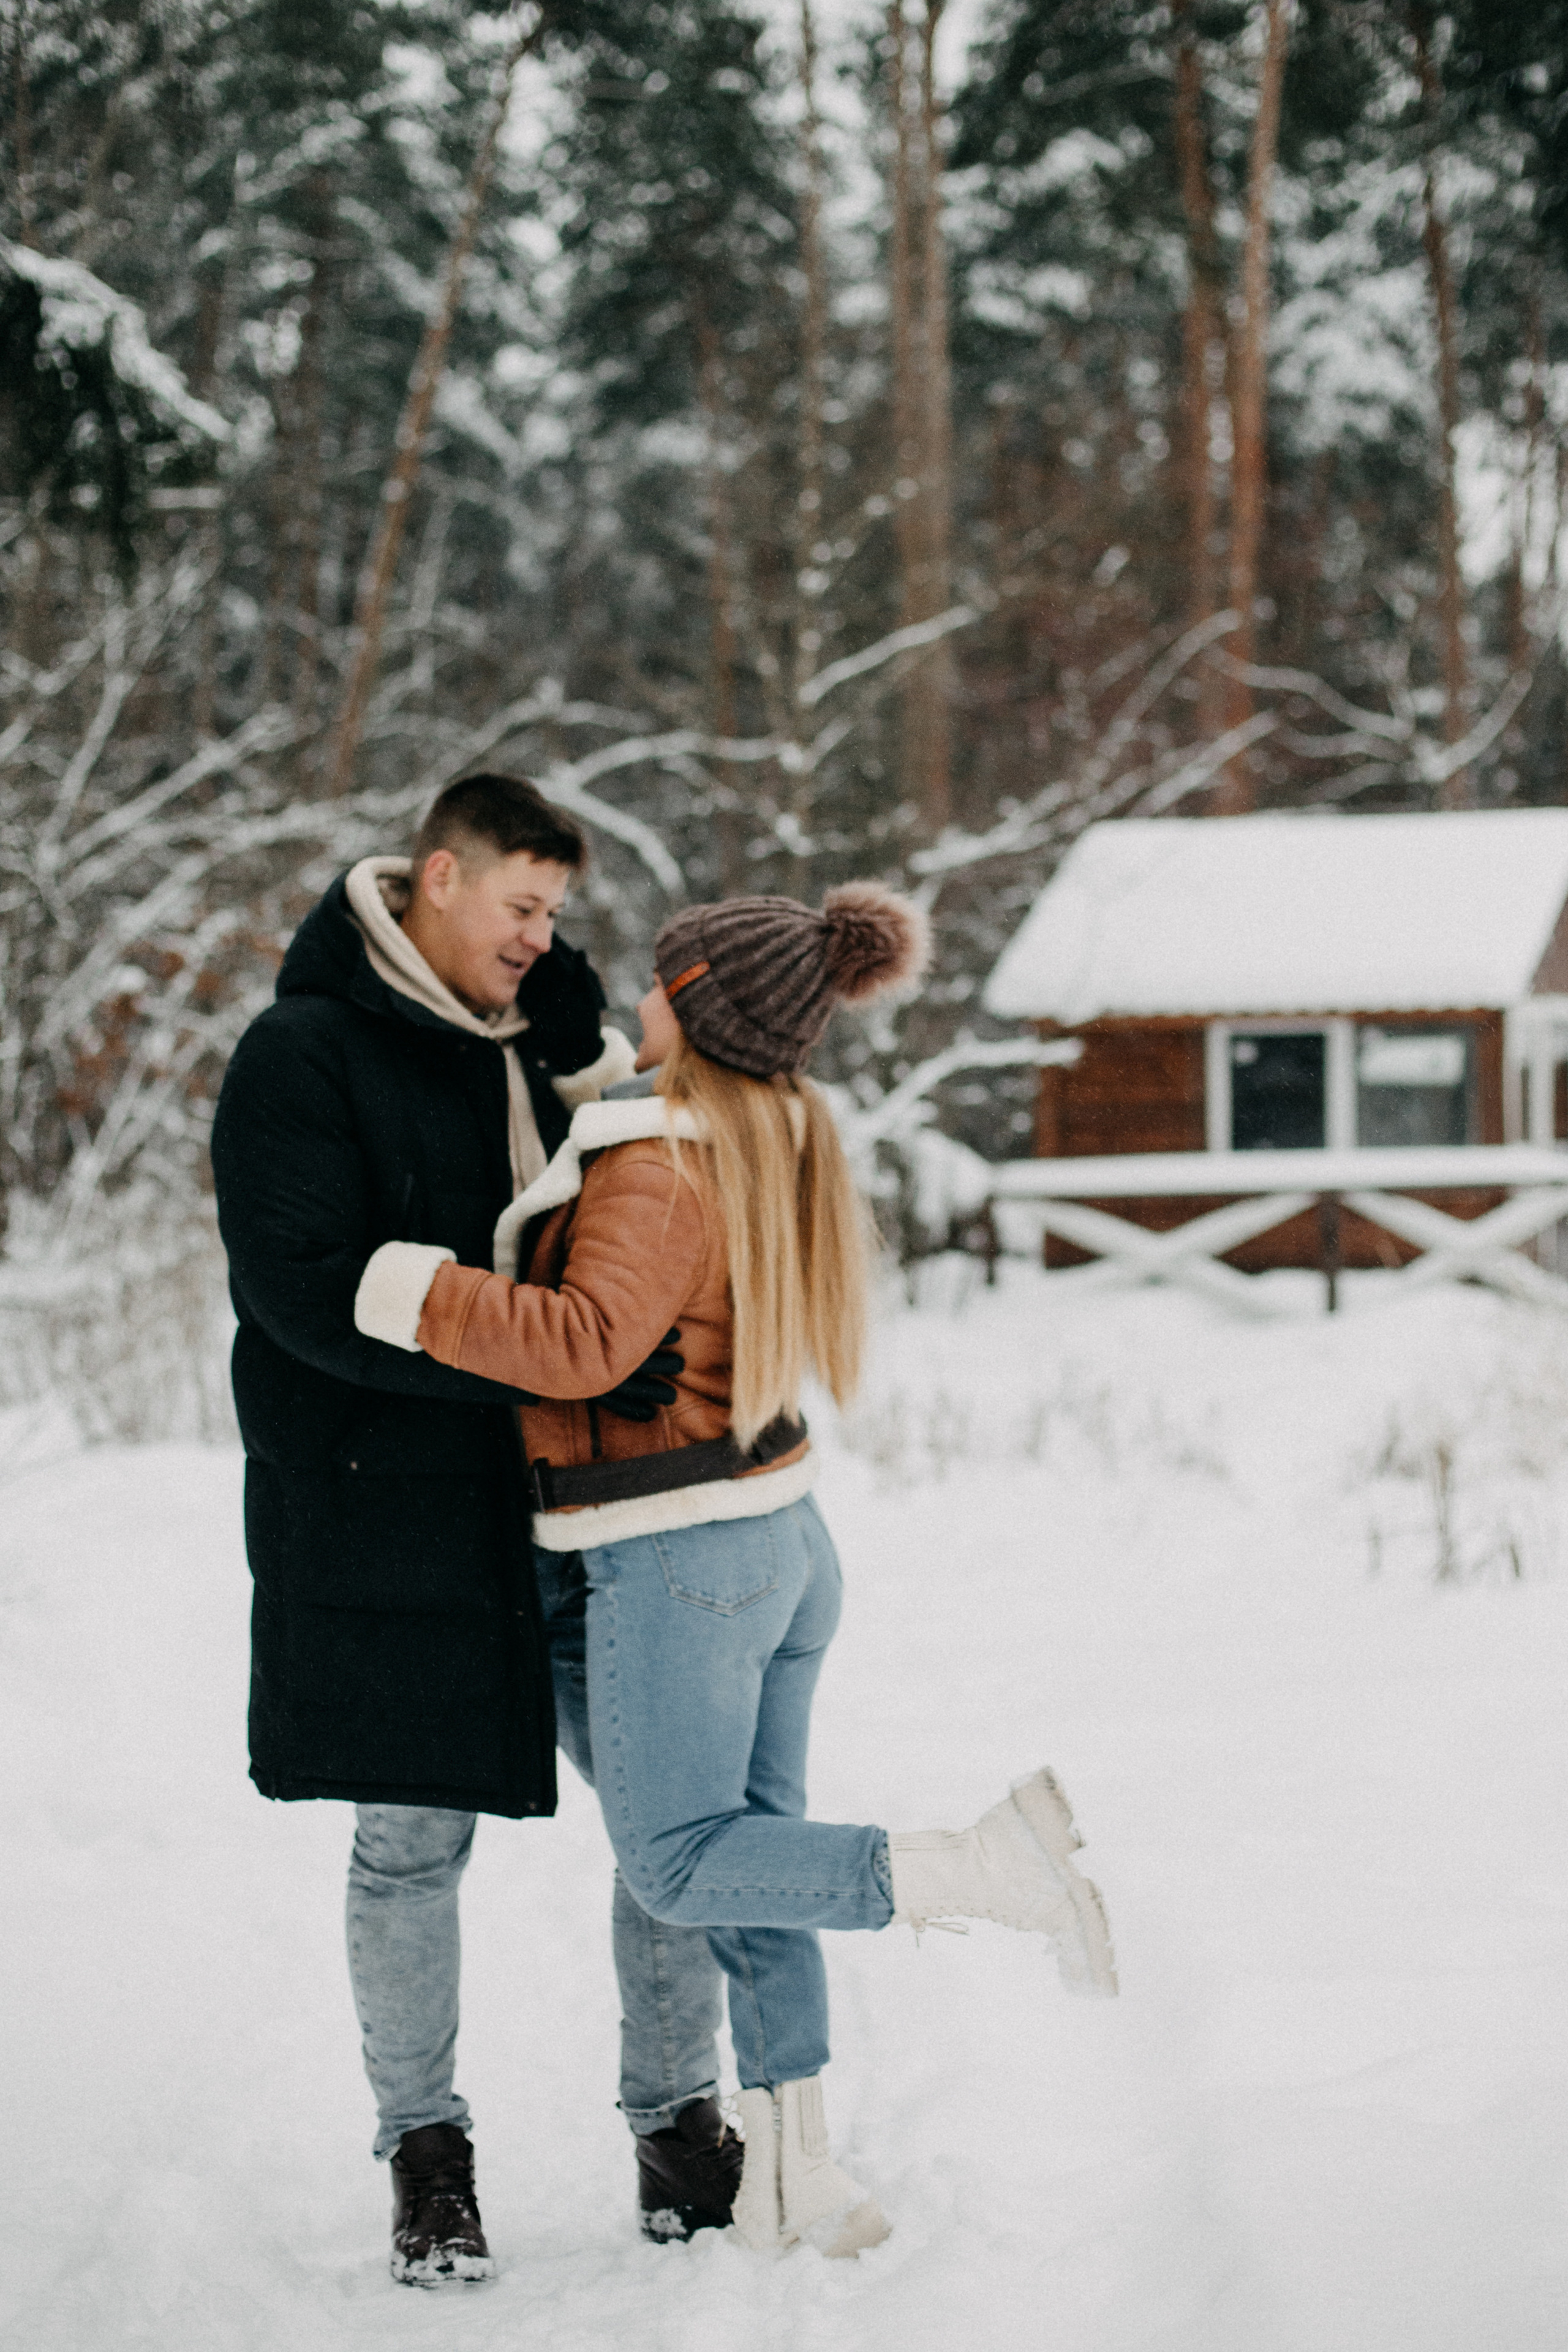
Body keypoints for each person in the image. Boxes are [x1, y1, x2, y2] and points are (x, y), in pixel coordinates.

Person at [353, 880, 1119, 2261]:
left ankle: (980, 1868)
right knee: (754, 1862)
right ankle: (793, 2165)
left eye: (662, 980)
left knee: (680, 1860)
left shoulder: (656, 1158)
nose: (640, 995)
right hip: (777, 1544)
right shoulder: (770, 1128)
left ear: (695, 1006)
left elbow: (586, 1342)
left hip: (679, 1561)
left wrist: (415, 1291)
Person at [211, 774, 741, 2288]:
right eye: (522, 906)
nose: (541, 936)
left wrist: (609, 1350)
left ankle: (675, 2120)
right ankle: (424, 2155)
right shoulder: (299, 1055)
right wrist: (547, 1353)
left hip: (570, 1505)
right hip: (385, 1513)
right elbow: (299, 1287)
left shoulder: (536, 1047)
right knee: (407, 1843)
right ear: (436, 878)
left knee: (665, 1821)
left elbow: (605, 1175)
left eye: (557, 915)